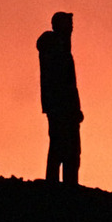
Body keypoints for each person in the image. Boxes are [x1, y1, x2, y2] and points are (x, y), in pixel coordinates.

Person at [37, 11, 82, 185]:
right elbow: (62, 83)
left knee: (69, 148)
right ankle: (56, 184)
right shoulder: (55, 47)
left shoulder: (62, 48)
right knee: (60, 145)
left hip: (64, 106)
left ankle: (67, 183)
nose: (71, 27)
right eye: (68, 23)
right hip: (60, 106)